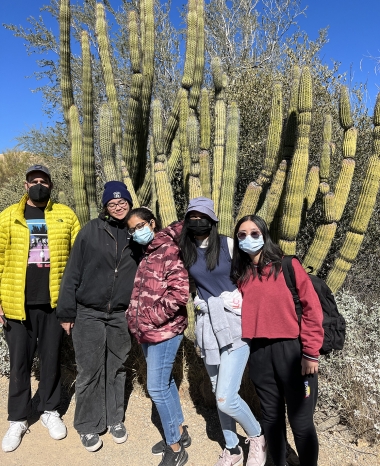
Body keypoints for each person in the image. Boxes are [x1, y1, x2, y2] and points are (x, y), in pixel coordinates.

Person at [178, 197, 266, 466]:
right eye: (191, 217)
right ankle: (232, 448)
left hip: (236, 325)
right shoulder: (187, 248)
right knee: (218, 390)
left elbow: (254, 272)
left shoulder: (228, 244)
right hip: (208, 326)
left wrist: (243, 299)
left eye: (202, 216)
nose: (197, 221)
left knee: (226, 397)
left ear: (213, 220)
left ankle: (257, 437)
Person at [231, 214, 324, 466]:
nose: (247, 238)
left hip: (292, 352)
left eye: (253, 233)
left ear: (264, 234)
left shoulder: (288, 266)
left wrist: (310, 353)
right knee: (271, 418)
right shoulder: (241, 274)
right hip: (259, 353)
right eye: (241, 234)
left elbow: (312, 309)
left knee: (301, 422)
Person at [0, 164, 80, 453]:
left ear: (50, 186)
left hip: (53, 304)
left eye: (44, 182)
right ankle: (18, 418)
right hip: (16, 305)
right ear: (25, 185)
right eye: (34, 181)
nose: (39, 185)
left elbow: (76, 260)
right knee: (19, 364)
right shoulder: (9, 217)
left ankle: (49, 410)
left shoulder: (66, 215)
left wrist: (71, 303)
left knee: (50, 359)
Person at [56, 181, 140, 452]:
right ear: (105, 206)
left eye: (123, 202)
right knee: (90, 369)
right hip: (88, 312)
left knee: (117, 367)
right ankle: (88, 424)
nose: (118, 207)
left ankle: (115, 418)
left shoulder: (136, 233)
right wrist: (66, 311)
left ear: (129, 203)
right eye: (112, 203)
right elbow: (73, 272)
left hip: (119, 314)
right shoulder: (90, 231)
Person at [126, 207, 189, 466]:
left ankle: (175, 448)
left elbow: (180, 294)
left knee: (155, 388)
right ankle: (180, 433)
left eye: (140, 225)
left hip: (164, 331)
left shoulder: (169, 251)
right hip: (147, 332)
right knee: (164, 384)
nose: (136, 231)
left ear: (152, 223)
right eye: (132, 229)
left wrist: (150, 318)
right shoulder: (148, 252)